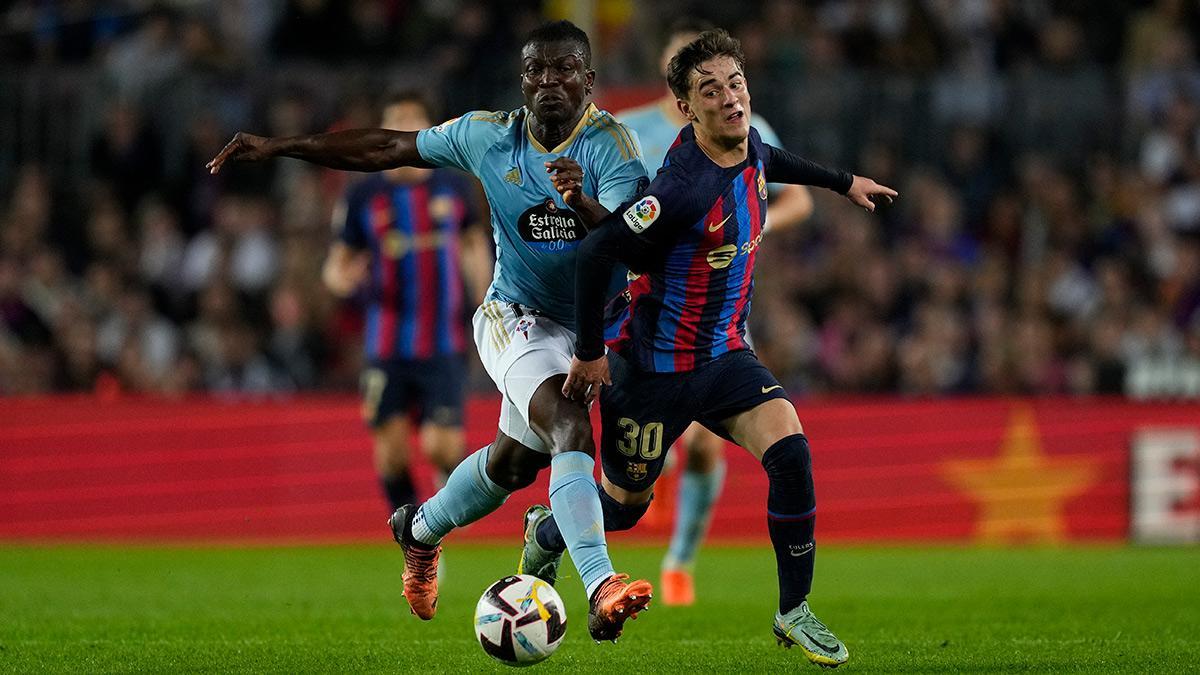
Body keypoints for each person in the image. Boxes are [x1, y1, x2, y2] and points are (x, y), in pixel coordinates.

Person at [207, 21, 654, 642]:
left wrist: (581, 209)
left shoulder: (615, 146)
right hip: (514, 316)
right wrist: (284, 146)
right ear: (522, 80)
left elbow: (627, 245)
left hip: (592, 326)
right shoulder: (487, 135)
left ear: (589, 79)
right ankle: (602, 586)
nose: (549, 81)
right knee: (569, 426)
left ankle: (417, 530)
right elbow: (388, 149)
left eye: (564, 69)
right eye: (536, 71)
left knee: (513, 466)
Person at [526, 29, 897, 667]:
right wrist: (590, 351)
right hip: (652, 372)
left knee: (791, 453)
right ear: (685, 107)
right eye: (710, 90)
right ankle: (548, 530)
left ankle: (793, 611)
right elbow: (598, 250)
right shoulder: (678, 188)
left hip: (724, 357)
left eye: (736, 83)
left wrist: (844, 182)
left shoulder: (747, 142)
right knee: (622, 513)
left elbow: (774, 163)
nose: (729, 98)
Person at [616, 18, 815, 606]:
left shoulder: (746, 128)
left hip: (723, 303)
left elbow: (794, 193)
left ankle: (680, 559)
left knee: (708, 445)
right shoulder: (629, 132)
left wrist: (752, 223)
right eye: (700, 75)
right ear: (672, 76)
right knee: (629, 494)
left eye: (731, 79)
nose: (724, 93)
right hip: (649, 317)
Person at [323, 90, 492, 513]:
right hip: (385, 344)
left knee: (443, 447)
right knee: (392, 454)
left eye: (411, 124)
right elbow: (337, 263)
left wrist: (484, 289)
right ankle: (416, 540)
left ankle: (438, 504)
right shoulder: (364, 195)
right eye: (394, 123)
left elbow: (473, 241)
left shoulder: (453, 186)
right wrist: (342, 280)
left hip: (443, 339)